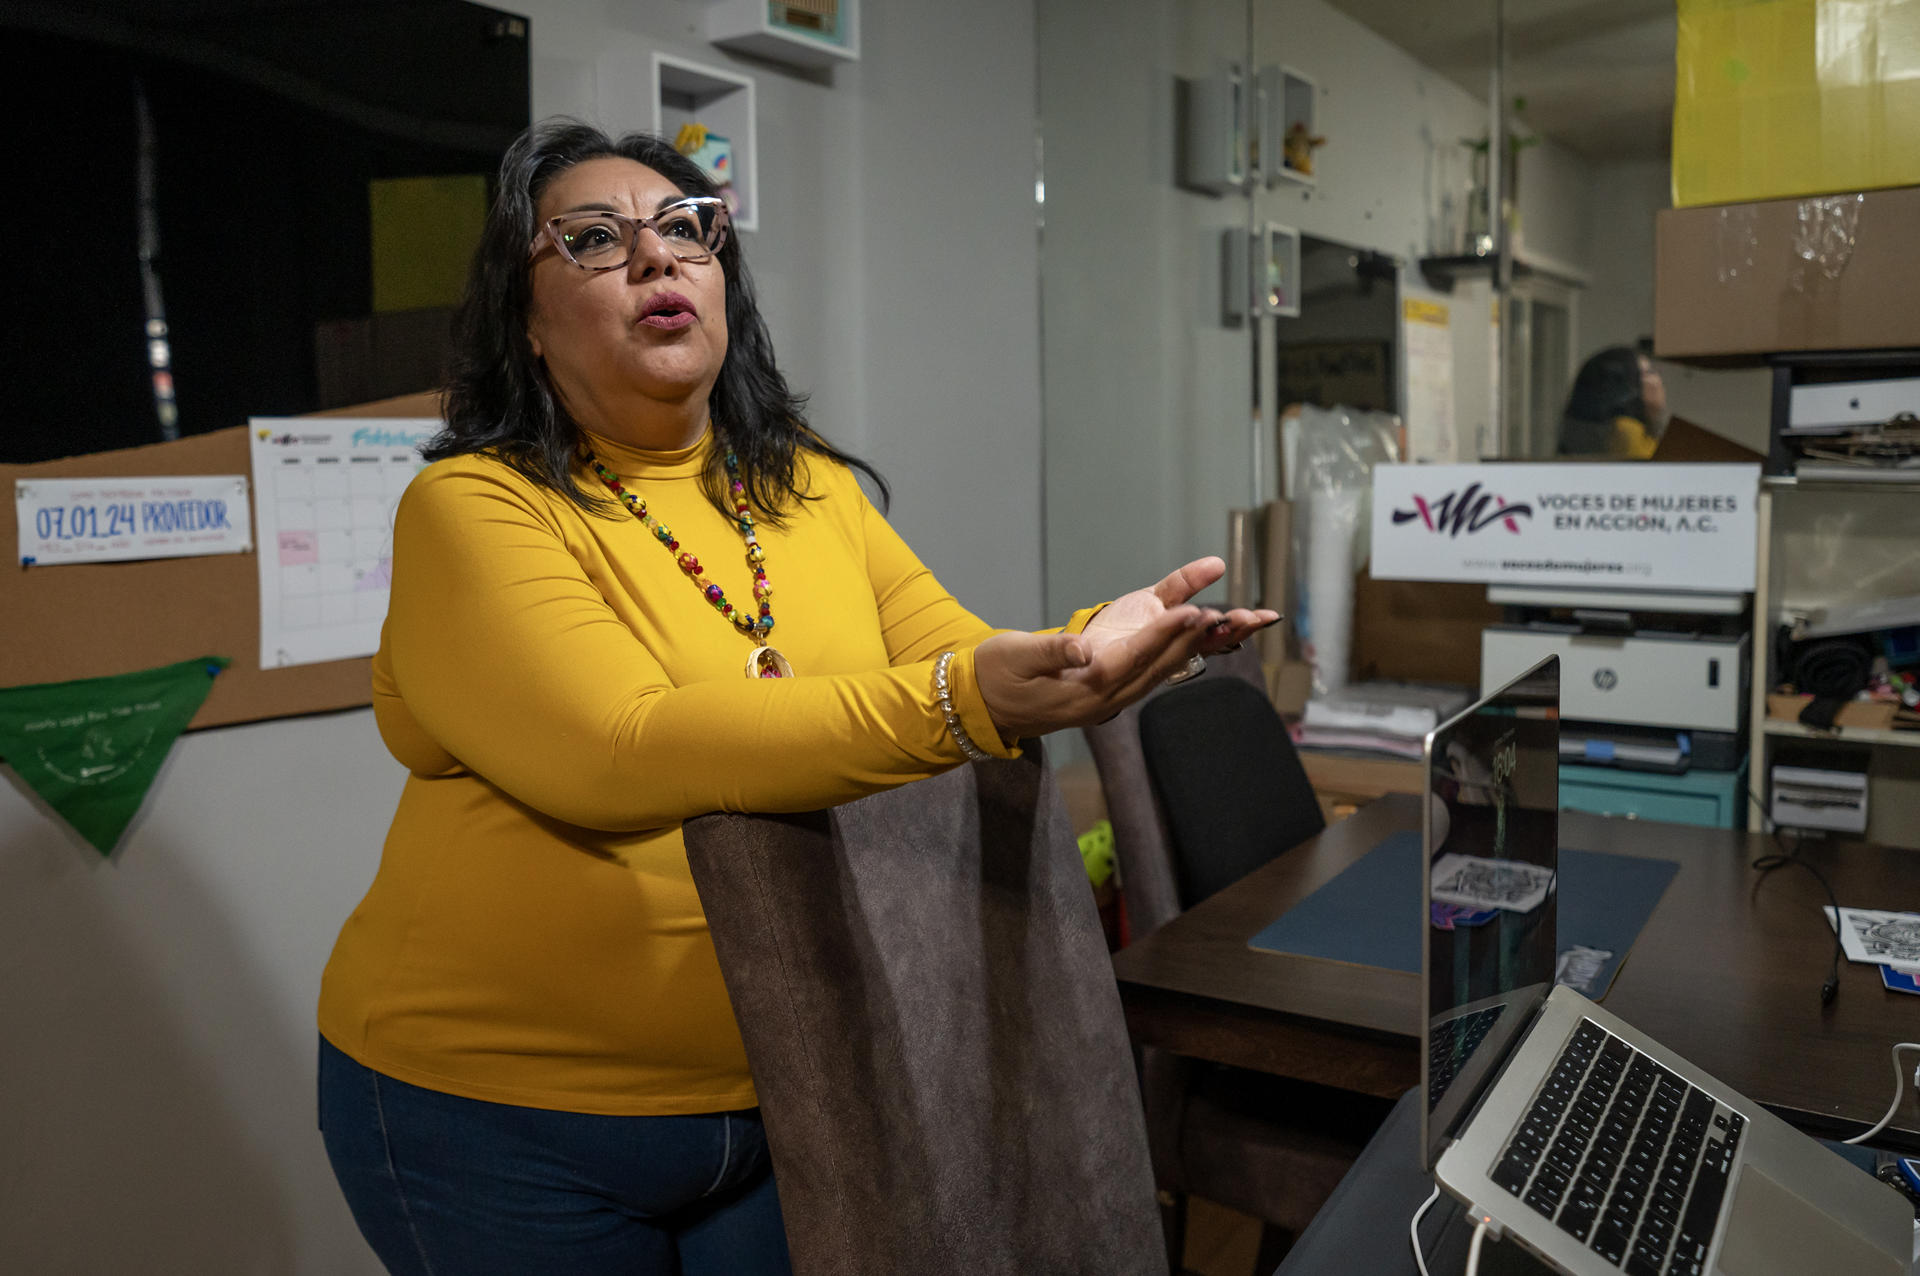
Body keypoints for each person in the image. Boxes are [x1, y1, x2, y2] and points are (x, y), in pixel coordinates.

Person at [315, 118, 1274, 1275]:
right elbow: (623, 749)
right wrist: (969, 699)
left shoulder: (808, 488)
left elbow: (958, 659)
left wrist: (1086, 657)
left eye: (686, 231)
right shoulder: (475, 509)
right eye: (593, 239)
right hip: (500, 1120)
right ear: (522, 315)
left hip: (790, 1072)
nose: (658, 258)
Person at [1556, 345, 1669, 459]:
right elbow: (1661, 469)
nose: (1657, 379)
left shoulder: (1613, 428)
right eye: (1649, 372)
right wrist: (1654, 414)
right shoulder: (1625, 429)